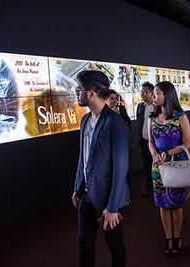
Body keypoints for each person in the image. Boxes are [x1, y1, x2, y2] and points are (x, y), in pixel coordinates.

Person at [72, 70, 130, 267]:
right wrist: (77, 187)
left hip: (108, 199)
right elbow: (83, 158)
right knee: (84, 243)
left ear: (90, 93)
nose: (76, 93)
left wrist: (113, 207)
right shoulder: (85, 120)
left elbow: (121, 167)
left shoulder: (114, 122)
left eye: (79, 89)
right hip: (86, 196)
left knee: (115, 246)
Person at [148, 81, 190, 256]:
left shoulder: (180, 116)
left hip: (176, 165)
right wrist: (154, 154)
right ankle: (168, 237)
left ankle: (177, 237)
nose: (154, 96)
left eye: (157, 93)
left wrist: (167, 152)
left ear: (167, 95)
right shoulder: (151, 118)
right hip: (158, 166)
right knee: (163, 204)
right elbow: (150, 141)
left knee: (175, 203)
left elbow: (188, 144)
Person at [136, 81, 155, 198]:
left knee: (158, 166)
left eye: (145, 92)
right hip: (144, 142)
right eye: (141, 92)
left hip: (156, 144)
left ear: (152, 93)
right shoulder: (140, 106)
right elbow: (139, 123)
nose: (142, 94)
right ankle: (149, 189)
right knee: (147, 167)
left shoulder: (157, 106)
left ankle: (162, 188)